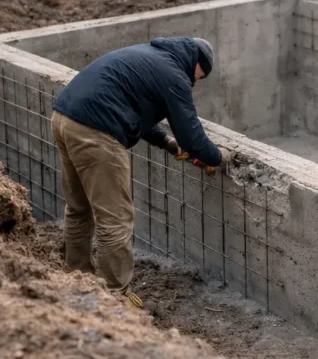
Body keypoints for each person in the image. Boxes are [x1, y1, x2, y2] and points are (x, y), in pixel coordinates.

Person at [50, 36, 225, 307]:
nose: (197, 82)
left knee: (78, 208)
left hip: (65, 120)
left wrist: (166, 142)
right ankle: (114, 299)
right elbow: (192, 136)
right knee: (115, 219)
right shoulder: (175, 75)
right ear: (197, 63)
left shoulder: (150, 56)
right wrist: (218, 157)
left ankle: (78, 280)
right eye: (201, 76)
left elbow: (133, 110)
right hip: (96, 133)